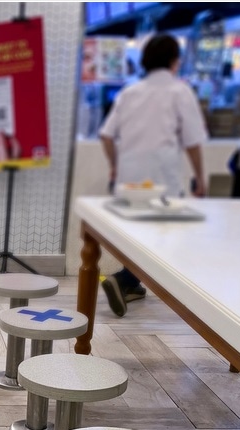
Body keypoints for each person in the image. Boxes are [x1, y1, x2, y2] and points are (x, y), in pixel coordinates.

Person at [98, 33, 208, 318]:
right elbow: (193, 141)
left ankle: (131, 284)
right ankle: (125, 279)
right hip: (161, 180)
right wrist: (200, 178)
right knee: (164, 238)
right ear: (174, 61)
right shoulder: (180, 92)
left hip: (129, 178)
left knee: (139, 237)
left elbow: (106, 135)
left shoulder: (129, 92)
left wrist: (114, 166)